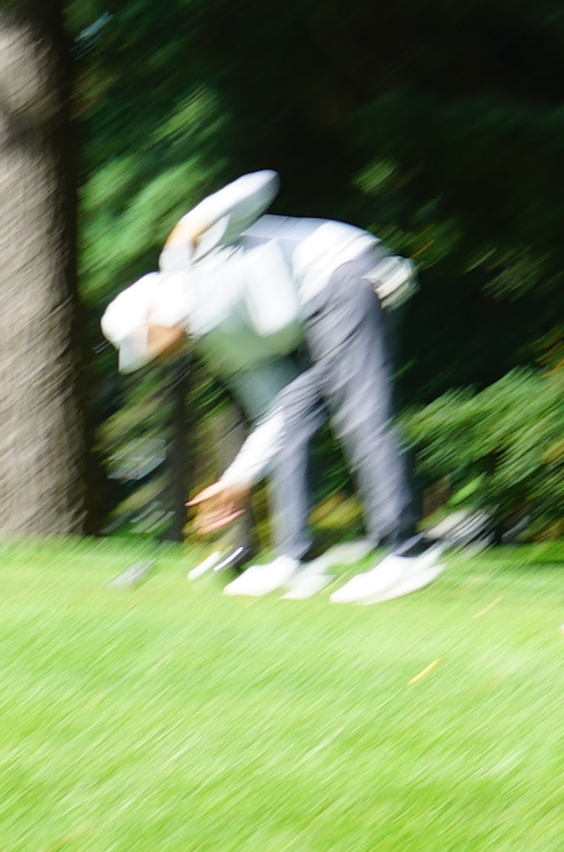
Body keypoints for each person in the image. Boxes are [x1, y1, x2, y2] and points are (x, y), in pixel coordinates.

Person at [102, 173, 439, 604]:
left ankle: (405, 553)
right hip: (326, 309)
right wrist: (238, 479)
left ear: (153, 312)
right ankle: (296, 560)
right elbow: (276, 415)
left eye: (145, 341)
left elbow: (262, 183)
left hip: (348, 271)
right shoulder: (220, 348)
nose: (152, 354)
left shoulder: (191, 258)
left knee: (360, 414)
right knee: (295, 414)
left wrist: (191, 225)